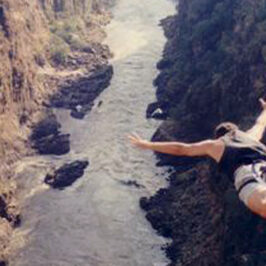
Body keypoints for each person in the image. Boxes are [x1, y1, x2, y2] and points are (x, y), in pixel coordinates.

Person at [128, 98, 266, 218]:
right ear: (236, 131)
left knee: (262, 206)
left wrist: (148, 144)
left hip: (247, 174)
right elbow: (261, 123)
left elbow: (182, 149)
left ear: (219, 136)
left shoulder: (217, 144)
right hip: (262, 166)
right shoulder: (250, 136)